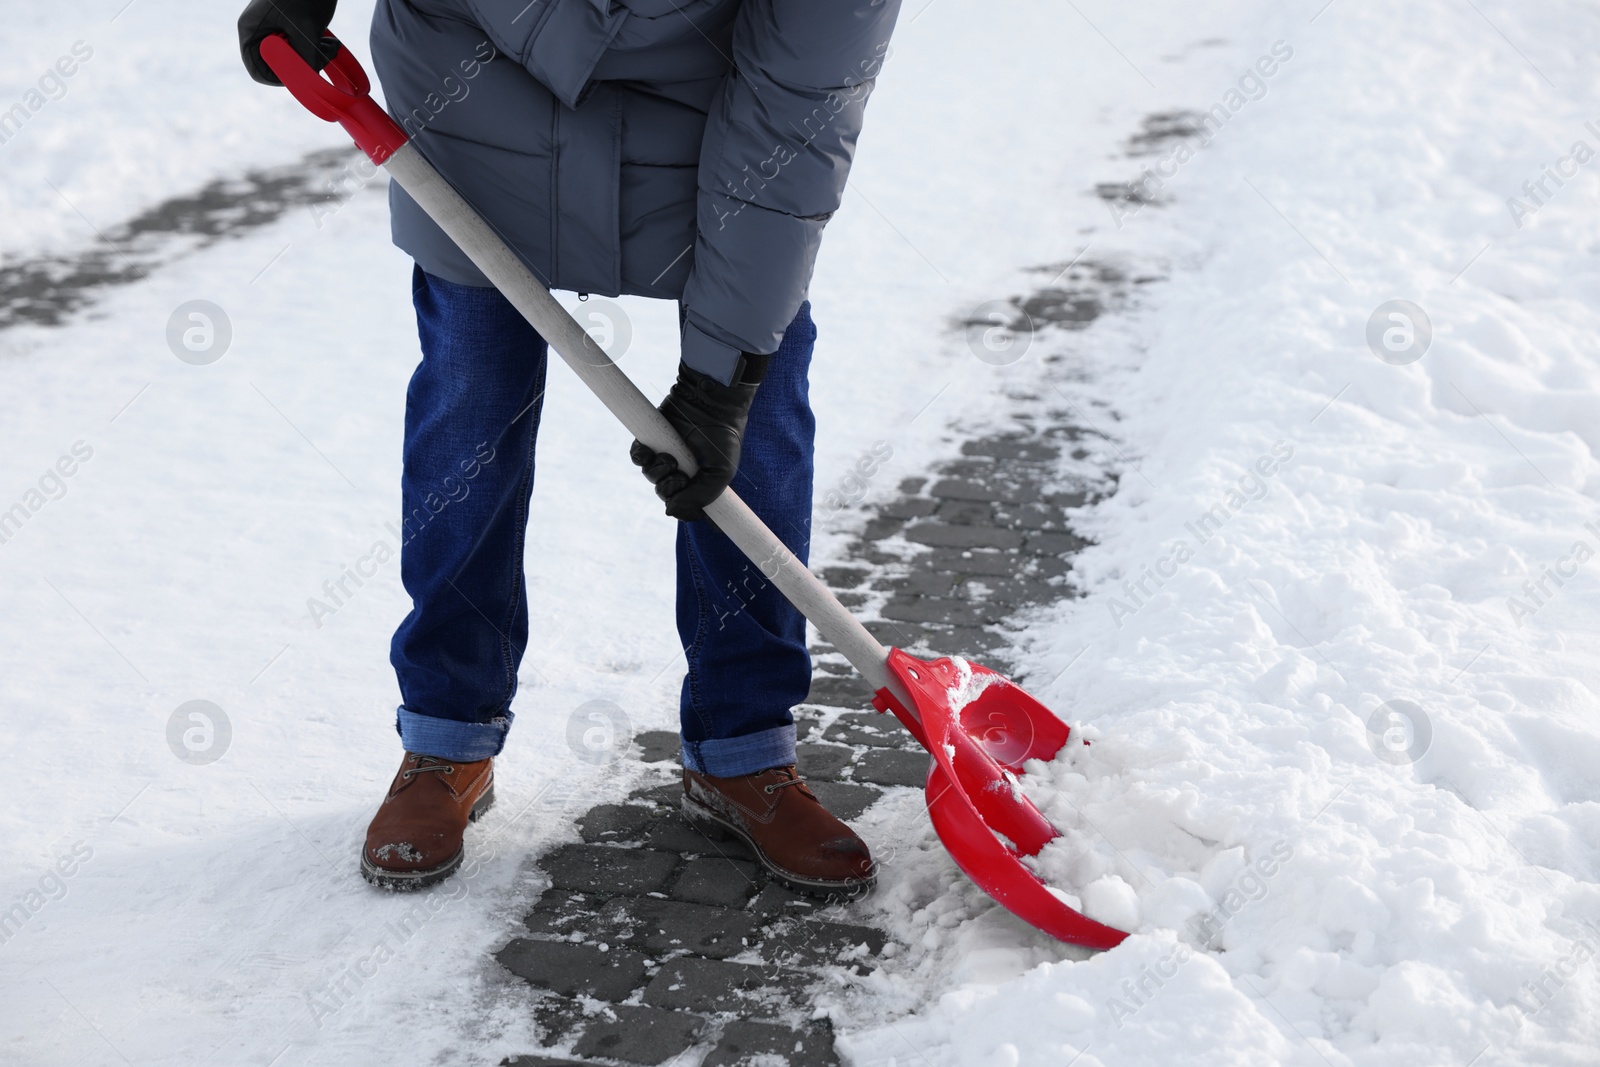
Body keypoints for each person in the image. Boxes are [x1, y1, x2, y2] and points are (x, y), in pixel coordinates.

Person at [237, 0, 900, 897]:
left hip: (711, 115)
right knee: (472, 401)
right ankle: (445, 737)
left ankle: (743, 747)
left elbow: (795, 111)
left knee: (758, 408)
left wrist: (719, 384)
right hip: (473, 83)